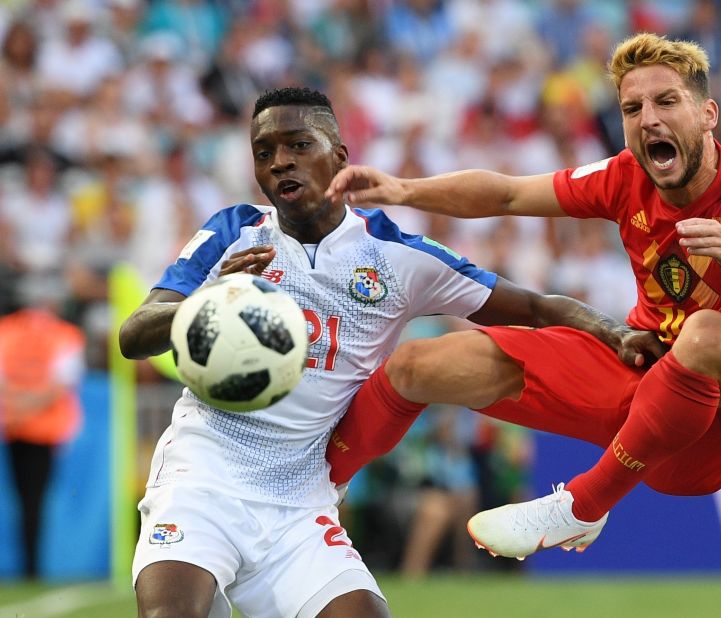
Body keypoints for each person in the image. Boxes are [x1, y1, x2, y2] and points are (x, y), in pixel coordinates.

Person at [323, 32, 721, 560]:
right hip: (637, 374)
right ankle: (316, 490)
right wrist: (405, 190)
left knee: (706, 333)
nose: (649, 119)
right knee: (418, 363)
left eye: (667, 101)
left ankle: (581, 506)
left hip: (711, 429)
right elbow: (508, 192)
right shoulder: (623, 175)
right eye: (632, 108)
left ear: (708, 113)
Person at [119, 86, 633, 617]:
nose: (280, 163)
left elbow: (534, 307)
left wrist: (614, 332)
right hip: (201, 476)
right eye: (264, 152)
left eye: (298, 144)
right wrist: (208, 304)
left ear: (340, 156)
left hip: (301, 499)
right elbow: (134, 334)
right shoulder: (232, 231)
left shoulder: (395, 257)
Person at [0, 281, 86, 578]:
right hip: (47, 430)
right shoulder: (65, 334)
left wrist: (16, 408)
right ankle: (32, 569)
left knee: (22, 501)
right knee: (35, 501)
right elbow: (61, 385)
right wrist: (30, 406)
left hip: (13, 427)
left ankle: (29, 567)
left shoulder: (6, 330)